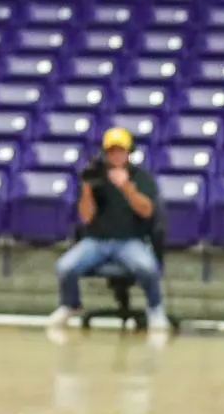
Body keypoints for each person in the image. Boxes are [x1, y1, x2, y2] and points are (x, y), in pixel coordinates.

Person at [48, 127, 169, 332]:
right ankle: (70, 305)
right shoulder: (95, 177)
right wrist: (86, 189)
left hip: (130, 240)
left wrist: (126, 187)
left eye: (120, 150)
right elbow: (86, 217)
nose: (116, 155)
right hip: (96, 240)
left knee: (147, 268)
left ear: (128, 152)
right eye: (111, 151)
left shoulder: (141, 177)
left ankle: (155, 309)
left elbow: (147, 211)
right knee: (65, 267)